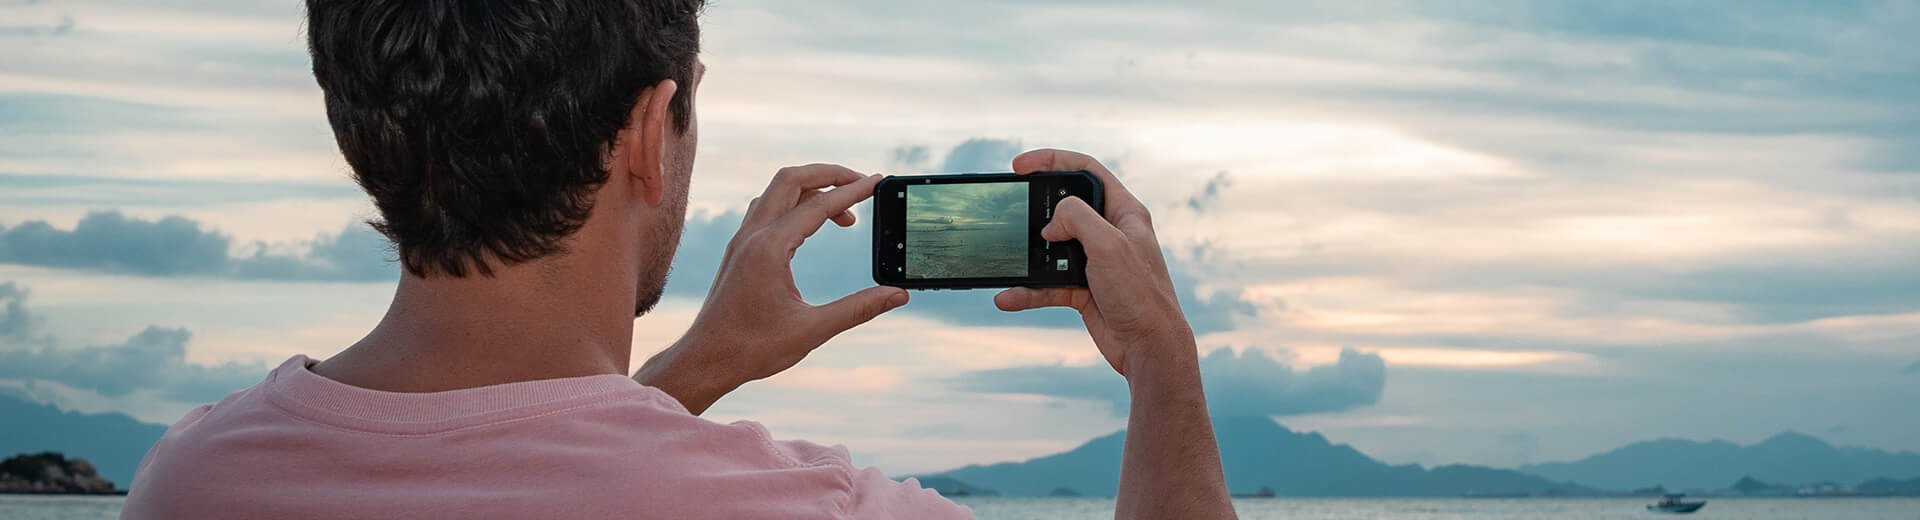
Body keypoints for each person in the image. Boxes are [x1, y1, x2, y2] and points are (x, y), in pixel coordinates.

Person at [120, 1, 1234, 518]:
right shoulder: (811, 509)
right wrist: (1163, 362)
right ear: (652, 133)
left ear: (358, 125)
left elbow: (517, 465)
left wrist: (696, 370)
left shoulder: (192, 481)